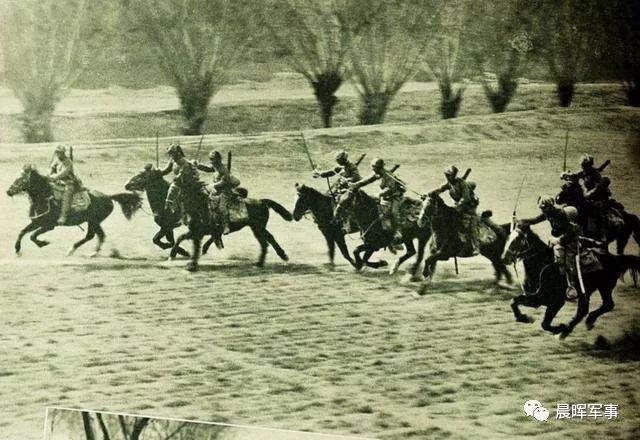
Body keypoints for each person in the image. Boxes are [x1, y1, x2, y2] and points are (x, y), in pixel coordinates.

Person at [521, 195, 582, 298]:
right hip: (555, 240)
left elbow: (573, 230)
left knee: (567, 263)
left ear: (549, 206)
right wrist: (519, 220)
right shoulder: (548, 213)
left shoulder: (561, 214)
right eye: (541, 208)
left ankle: (572, 287)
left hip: (569, 241)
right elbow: (535, 220)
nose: (542, 210)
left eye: (543, 208)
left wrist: (559, 239)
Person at [349, 158, 405, 242]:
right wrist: (355, 184)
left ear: (379, 168)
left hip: (394, 196)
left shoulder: (388, 176)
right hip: (384, 196)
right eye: (372, 167)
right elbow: (366, 180)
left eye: (374, 167)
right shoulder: (377, 173)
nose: (372, 169)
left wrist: (379, 194)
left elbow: (390, 189)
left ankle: (397, 232)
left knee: (393, 212)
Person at [429, 165, 479, 255]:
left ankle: (476, 247)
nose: (447, 177)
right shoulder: (449, 184)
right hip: (457, 207)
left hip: (469, 207)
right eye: (446, 175)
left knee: (470, 226)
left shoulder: (462, 183)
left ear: (453, 175)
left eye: (449, 175)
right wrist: (432, 193)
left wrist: (457, 207)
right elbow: (440, 189)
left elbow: (465, 198)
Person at [195, 150, 242, 234]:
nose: (211, 161)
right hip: (216, 189)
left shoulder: (223, 169)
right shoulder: (216, 167)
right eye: (210, 159)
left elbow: (224, 182)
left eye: (213, 159)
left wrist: (213, 185)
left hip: (225, 191)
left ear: (217, 160)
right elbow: (208, 169)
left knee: (222, 207)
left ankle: (226, 226)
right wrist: (198, 165)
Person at [161, 143, 201, 215]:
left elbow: (182, 173)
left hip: (186, 182)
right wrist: (157, 172)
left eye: (173, 153)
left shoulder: (183, 162)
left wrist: (177, 178)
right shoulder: (173, 161)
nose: (171, 156)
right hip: (178, 181)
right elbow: (166, 170)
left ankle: (170, 206)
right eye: (170, 154)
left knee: (173, 187)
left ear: (178, 153)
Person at [48, 145, 81, 225]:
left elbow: (63, 173)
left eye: (60, 152)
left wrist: (53, 177)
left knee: (67, 194)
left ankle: (63, 216)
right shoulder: (56, 160)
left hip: (68, 182)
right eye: (57, 152)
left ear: (63, 153)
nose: (58, 154)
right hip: (57, 181)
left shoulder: (68, 162)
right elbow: (51, 170)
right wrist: (49, 174)